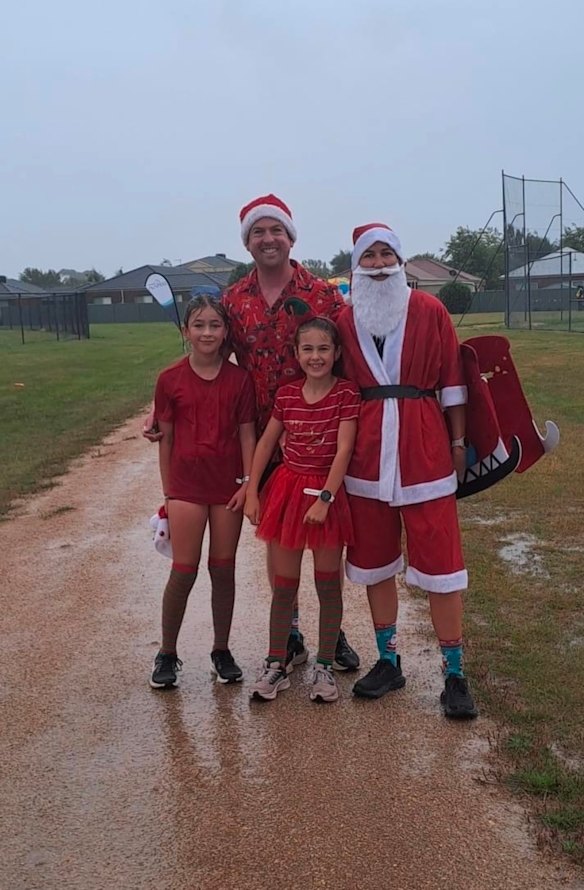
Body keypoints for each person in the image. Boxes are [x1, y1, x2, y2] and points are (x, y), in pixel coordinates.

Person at [145, 194, 360, 672]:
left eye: (276, 230)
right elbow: (209, 355)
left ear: (290, 237)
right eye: (258, 232)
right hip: (262, 434)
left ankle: (333, 633)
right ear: (247, 242)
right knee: (280, 535)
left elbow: (345, 356)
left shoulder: (321, 294)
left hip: (318, 434)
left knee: (324, 535)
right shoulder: (234, 299)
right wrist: (163, 409)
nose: (268, 239)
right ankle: (292, 631)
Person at [336, 223, 478, 718]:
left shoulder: (430, 310)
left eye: (385, 254)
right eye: (369, 256)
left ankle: (454, 672)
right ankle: (388, 660)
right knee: (374, 560)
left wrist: (457, 442)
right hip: (367, 455)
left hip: (425, 449)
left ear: (399, 261)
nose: (378, 264)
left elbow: (453, 381)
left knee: (442, 563)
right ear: (356, 265)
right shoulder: (343, 320)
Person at [244, 317, 360, 702]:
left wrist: (325, 499)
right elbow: (266, 443)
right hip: (287, 493)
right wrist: (252, 491)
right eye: (307, 349)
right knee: (284, 586)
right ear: (296, 353)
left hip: (326, 494)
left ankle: (324, 665)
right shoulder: (288, 395)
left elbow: (344, 449)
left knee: (327, 584)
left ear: (336, 352)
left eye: (323, 348)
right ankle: (276, 663)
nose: (315, 356)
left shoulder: (346, 394)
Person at [149, 294, 256, 689]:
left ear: (226, 332)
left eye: (215, 325)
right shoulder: (170, 379)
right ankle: (167, 653)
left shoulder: (239, 380)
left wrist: (248, 483)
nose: (207, 332)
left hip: (227, 486)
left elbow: (247, 435)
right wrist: (169, 491)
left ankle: (221, 650)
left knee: (223, 569)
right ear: (186, 331)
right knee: (184, 570)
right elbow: (165, 439)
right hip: (186, 487)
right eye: (199, 325)